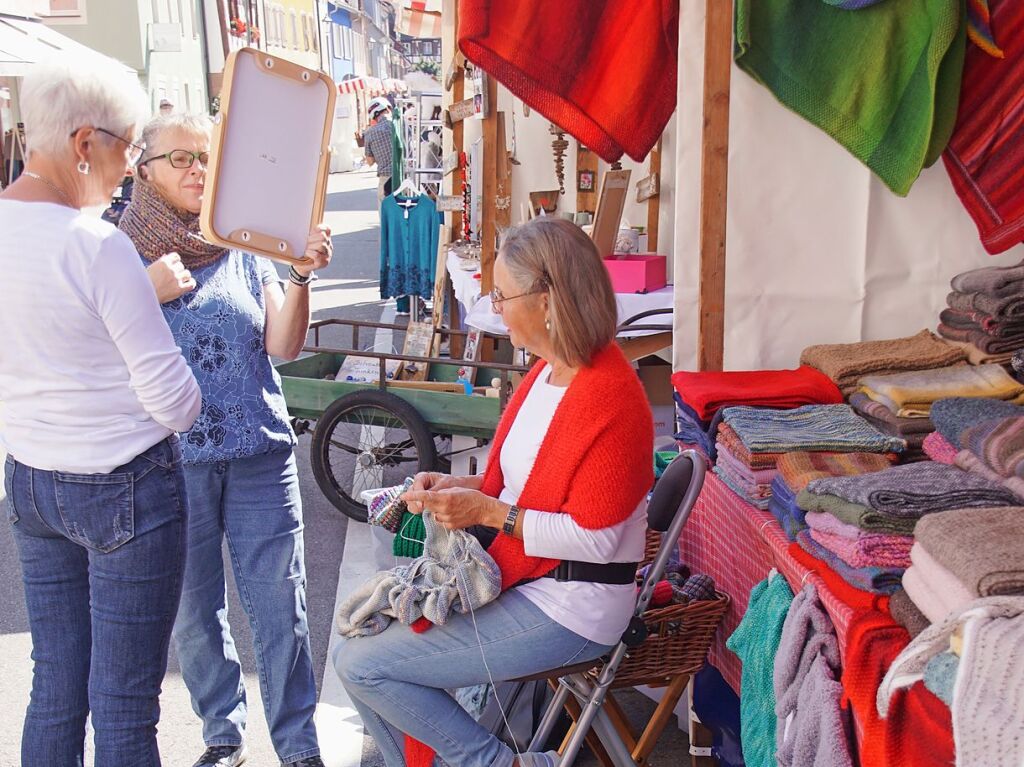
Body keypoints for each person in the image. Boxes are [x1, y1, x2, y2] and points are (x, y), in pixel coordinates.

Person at [334, 217, 655, 767]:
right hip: (534, 581)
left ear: (548, 299)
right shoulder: (549, 373)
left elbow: (596, 541)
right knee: (359, 656)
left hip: (574, 607)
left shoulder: (611, 398)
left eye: (503, 295)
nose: (495, 307)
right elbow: (529, 487)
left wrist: (488, 510)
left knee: (365, 666)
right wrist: (460, 487)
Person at [0, 52, 202, 766]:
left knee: (55, 684)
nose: (130, 165)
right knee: (122, 704)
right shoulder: (97, 246)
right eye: (129, 146)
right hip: (122, 481)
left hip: (30, 476)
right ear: (85, 144)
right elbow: (176, 402)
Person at [118, 113, 332, 767]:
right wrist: (139, 291)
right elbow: (83, 346)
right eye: (181, 157)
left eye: (207, 158)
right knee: (195, 613)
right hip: (167, 463)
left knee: (280, 606)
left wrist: (299, 276)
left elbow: (282, 343)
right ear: (142, 167)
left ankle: (297, 745)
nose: (197, 170)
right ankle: (222, 733)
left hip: (258, 454)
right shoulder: (115, 251)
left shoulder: (242, 238)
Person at [361, 96, 395, 204]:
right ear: (387, 109)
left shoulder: (370, 133)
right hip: (405, 175)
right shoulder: (399, 125)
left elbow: (370, 161)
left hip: (385, 177)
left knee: (385, 212)